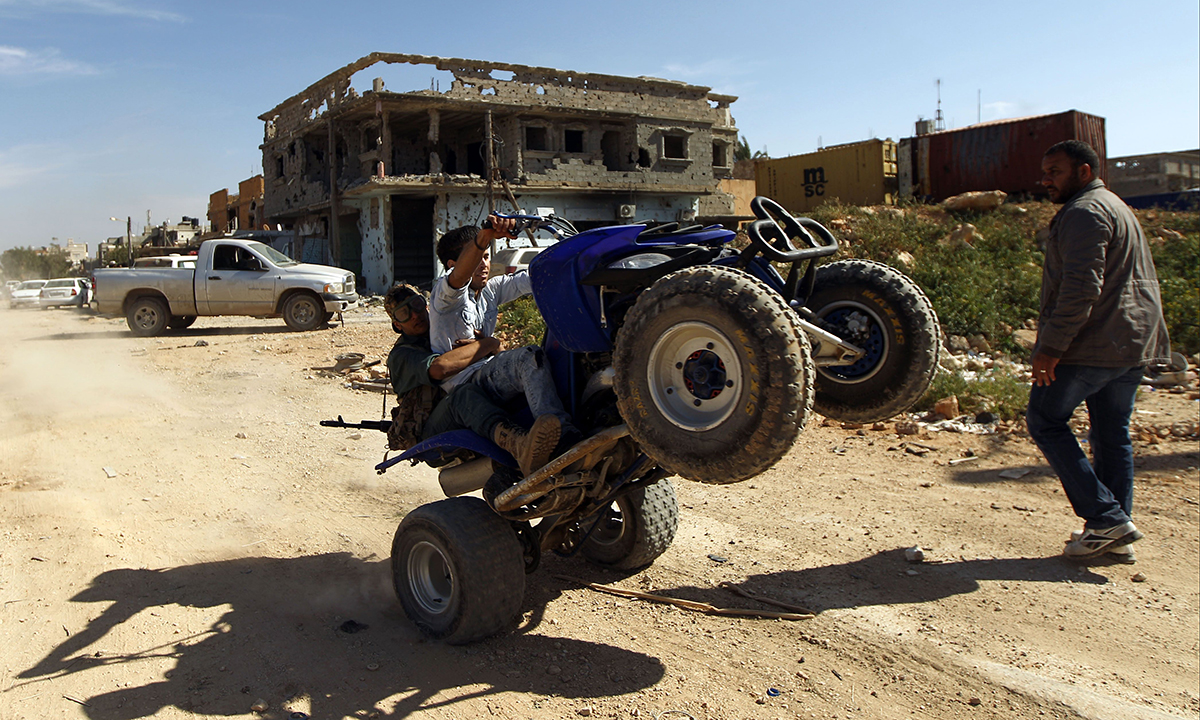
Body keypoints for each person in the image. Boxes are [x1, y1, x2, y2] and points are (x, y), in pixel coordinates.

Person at [1027, 140, 1171, 563]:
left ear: (1084, 171)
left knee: (1045, 419)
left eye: (1055, 171)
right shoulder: (1116, 205)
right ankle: (1114, 531)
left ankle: (1106, 517)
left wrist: (1051, 347)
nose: (1046, 180)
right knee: (1111, 434)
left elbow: (1080, 287)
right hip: (1132, 340)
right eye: (1045, 171)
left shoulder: (1084, 212)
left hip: (1095, 342)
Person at [384, 283, 560, 477]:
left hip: (473, 406)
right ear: (397, 325)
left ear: (426, 306)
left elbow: (494, 357)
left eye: (417, 305)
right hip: (434, 428)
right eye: (404, 314)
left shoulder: (446, 330)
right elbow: (440, 368)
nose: (415, 315)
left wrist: (494, 349)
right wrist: (488, 344)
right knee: (461, 395)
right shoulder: (401, 355)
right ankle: (518, 444)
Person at [427, 216, 578, 442]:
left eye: (486, 257)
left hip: (489, 373)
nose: (484, 264)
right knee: (528, 357)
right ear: (452, 265)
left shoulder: (491, 289)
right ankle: (560, 436)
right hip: (467, 384)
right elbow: (459, 277)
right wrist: (483, 238)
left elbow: (531, 279)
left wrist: (577, 260)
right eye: (477, 258)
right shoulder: (445, 295)